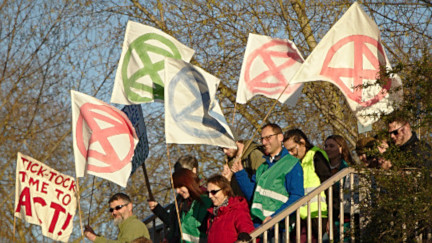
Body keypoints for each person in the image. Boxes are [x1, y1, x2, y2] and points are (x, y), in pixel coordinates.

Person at [232, 123, 304, 226]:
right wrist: (240, 173)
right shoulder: (262, 167)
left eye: (268, 138)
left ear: (280, 137)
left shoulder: (292, 163)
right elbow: (253, 196)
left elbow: (297, 196)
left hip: (280, 228)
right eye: (262, 139)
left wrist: (275, 218)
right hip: (259, 225)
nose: (264, 142)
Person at [284, 129, 331, 242]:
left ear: (302, 142)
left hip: (319, 215)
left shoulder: (316, 155)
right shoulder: (295, 162)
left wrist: (331, 215)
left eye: (292, 149)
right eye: (287, 151)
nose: (291, 154)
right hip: (302, 216)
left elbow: (329, 184)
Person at [148, 168, 211, 243]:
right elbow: (173, 225)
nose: (177, 191)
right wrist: (157, 209)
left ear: (189, 183)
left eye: (180, 186)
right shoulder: (181, 202)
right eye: (176, 188)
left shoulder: (206, 201)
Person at [324, 135, 356, 242]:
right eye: (326, 146)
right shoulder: (321, 167)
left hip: (343, 218)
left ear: (341, 148)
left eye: (331, 146)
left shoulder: (348, 168)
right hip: (325, 214)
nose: (327, 149)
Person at [206, 174, 255, 243]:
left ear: (225, 190)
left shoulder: (237, 209)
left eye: (214, 192)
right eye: (207, 192)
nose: (210, 196)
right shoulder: (212, 214)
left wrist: (244, 234)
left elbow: (246, 227)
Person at [84, 193, 150, 242]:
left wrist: (95, 238)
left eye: (118, 207)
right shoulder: (125, 227)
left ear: (129, 206)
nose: (114, 212)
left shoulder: (135, 225)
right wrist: (95, 236)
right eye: (111, 210)